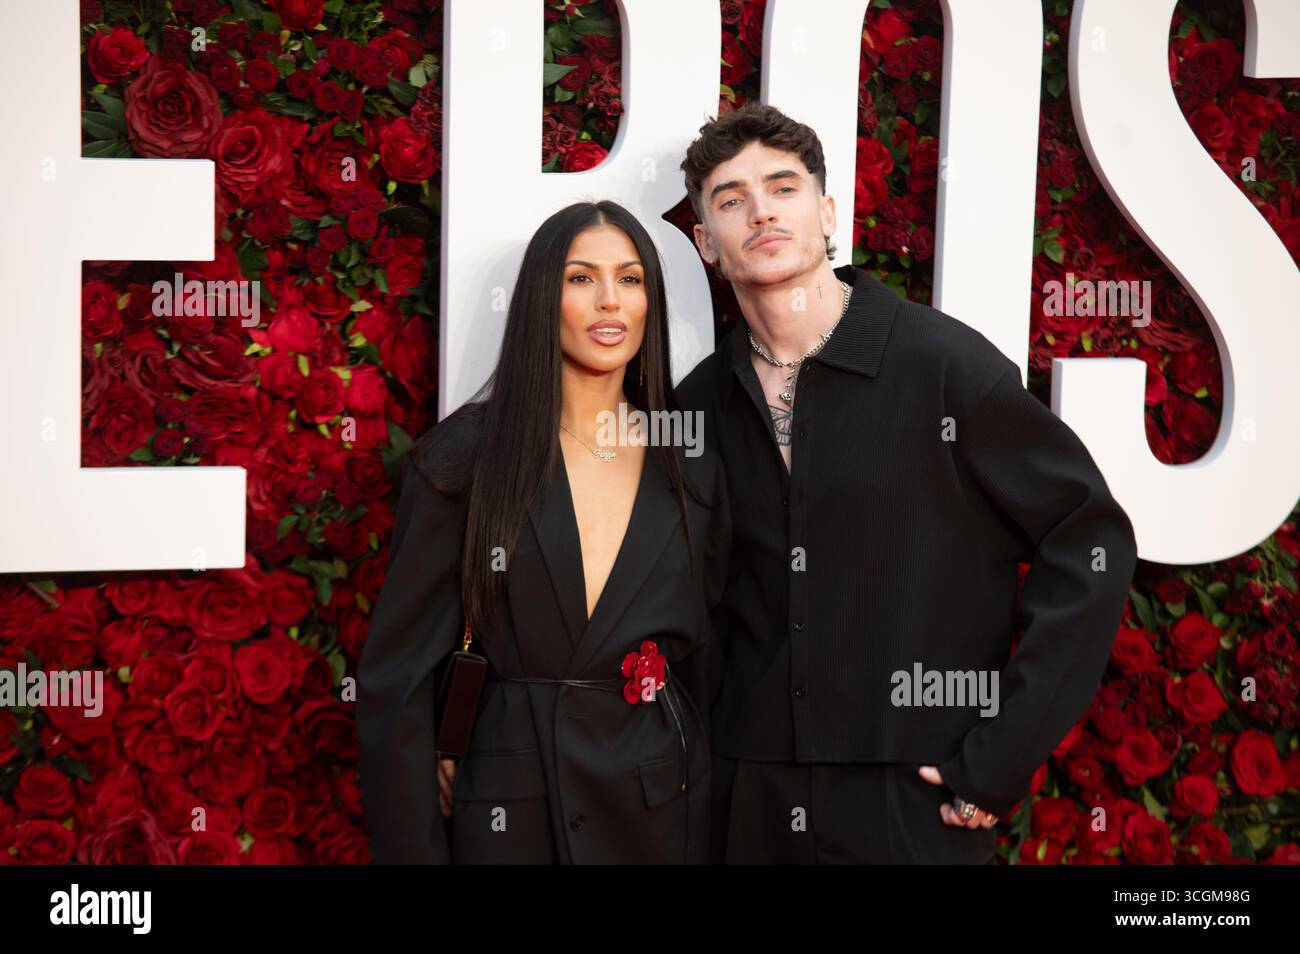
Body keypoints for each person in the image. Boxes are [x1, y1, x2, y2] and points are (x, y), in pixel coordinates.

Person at [674, 102, 1138, 864]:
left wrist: (999, 757)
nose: (760, 211)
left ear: (827, 214)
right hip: (748, 804)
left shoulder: (943, 367)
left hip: (911, 805)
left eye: (783, 188)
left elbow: (1088, 539)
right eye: (731, 200)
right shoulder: (697, 405)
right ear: (707, 245)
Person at [356, 200, 729, 864]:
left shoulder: (692, 459)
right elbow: (397, 686)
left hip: (660, 812)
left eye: (632, 278)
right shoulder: (462, 459)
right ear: (540, 297)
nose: (609, 301)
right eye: (580, 278)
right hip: (508, 817)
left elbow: (712, 658)